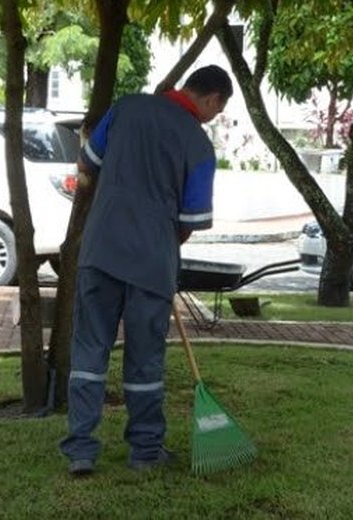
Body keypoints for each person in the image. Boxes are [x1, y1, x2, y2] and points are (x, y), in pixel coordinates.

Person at [59, 65, 233, 476]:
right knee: (144, 361)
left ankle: (81, 450)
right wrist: (162, 244)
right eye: (218, 110)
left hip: (100, 250)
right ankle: (145, 450)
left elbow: (86, 163)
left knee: (88, 352)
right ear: (211, 100)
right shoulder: (199, 145)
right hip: (152, 262)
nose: (214, 117)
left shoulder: (126, 108)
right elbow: (192, 218)